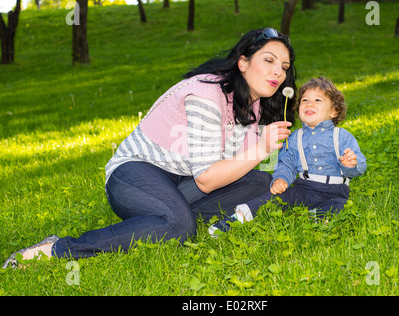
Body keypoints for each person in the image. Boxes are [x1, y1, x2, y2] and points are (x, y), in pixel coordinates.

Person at [2, 28, 297, 268]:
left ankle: (156, 221)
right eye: (269, 60)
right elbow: (208, 177)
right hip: (135, 173)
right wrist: (260, 149)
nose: (278, 72)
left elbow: (237, 169)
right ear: (243, 62)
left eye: (283, 67)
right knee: (180, 228)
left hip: (183, 180)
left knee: (263, 181)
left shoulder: (254, 109)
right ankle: (55, 249)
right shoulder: (208, 94)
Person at [208, 76, 367, 236]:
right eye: (304, 100)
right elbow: (286, 164)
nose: (309, 104)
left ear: (334, 111)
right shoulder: (294, 138)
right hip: (303, 188)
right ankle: (235, 219)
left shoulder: (342, 136)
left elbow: (359, 166)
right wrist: (281, 179)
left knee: (336, 209)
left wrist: (350, 165)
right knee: (272, 198)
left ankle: (315, 221)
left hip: (334, 192)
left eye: (318, 100)